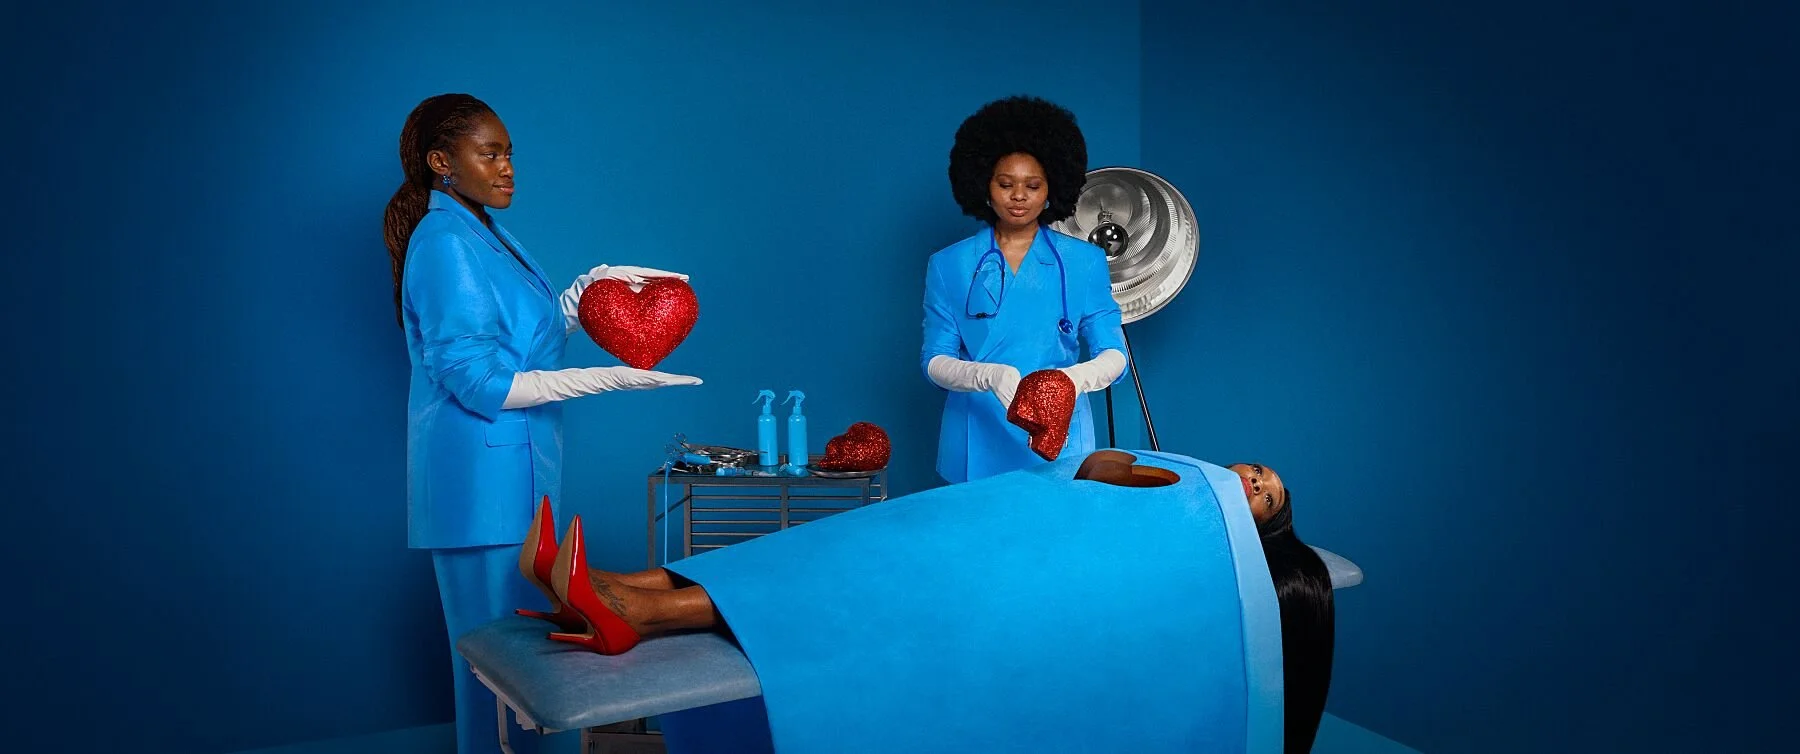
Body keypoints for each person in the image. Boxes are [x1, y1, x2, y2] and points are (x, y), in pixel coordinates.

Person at [521, 456, 1334, 754]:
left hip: (1011, 563)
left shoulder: (1208, 547)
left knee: (854, 585)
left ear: (1260, 529)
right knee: (832, 544)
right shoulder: (1179, 477)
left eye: (1266, 497)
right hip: (996, 514)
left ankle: (641, 610)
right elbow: (1093, 473)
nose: (1255, 482)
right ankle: (632, 586)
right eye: (1259, 472)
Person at [382, 92, 703, 754]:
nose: (507, 168)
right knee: (496, 664)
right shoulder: (443, 242)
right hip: (478, 483)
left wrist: (580, 301)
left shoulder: (486, 232)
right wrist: (601, 379)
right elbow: (476, 379)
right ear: (442, 162)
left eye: (509, 153)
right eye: (490, 154)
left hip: (520, 471)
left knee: (532, 661)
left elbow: (518, 343)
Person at [919, 95, 1130, 484]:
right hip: (978, 433)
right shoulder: (949, 265)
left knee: (1055, 522)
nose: (1019, 196)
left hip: (1061, 436)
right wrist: (986, 375)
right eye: (1005, 184)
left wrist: (1071, 381)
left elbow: (1115, 354)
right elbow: (934, 360)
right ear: (984, 186)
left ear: (1051, 190)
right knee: (979, 523)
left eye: (1033, 185)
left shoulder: (1083, 262)